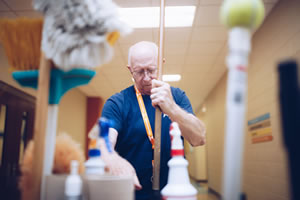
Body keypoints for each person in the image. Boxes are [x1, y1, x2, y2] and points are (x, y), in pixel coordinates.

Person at [94, 41, 206, 200]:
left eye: (151, 70)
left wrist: (172, 108)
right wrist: (113, 159)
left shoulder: (177, 97)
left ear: (162, 63)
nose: (146, 78)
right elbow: (102, 143)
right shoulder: (117, 103)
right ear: (129, 70)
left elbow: (199, 138)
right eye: (139, 71)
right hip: (131, 194)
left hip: (173, 192)